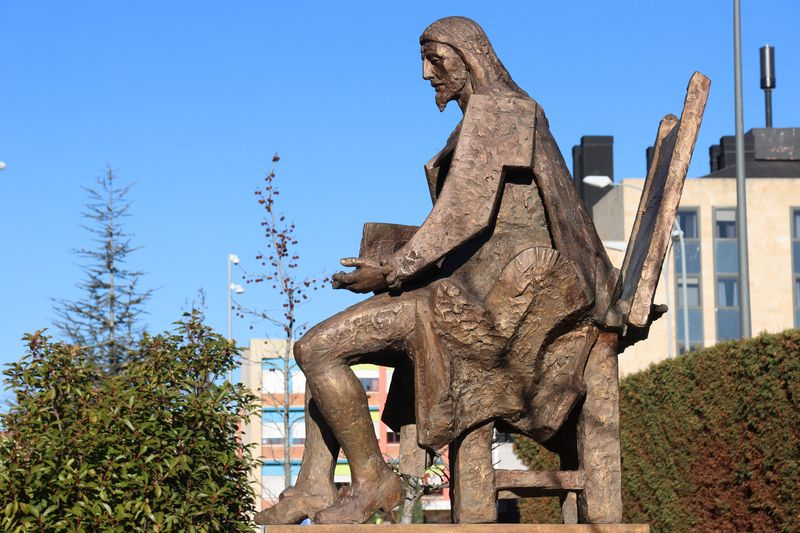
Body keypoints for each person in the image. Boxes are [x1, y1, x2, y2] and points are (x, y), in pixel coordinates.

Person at [255, 16, 614, 525]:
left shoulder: (502, 112)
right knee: (330, 348)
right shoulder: (485, 116)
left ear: (467, 58)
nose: (426, 73)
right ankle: (315, 484)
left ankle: (372, 480)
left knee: (316, 348)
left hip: (500, 303)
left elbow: (463, 216)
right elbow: (463, 221)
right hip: (472, 289)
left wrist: (394, 271)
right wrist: (390, 261)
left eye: (435, 59)